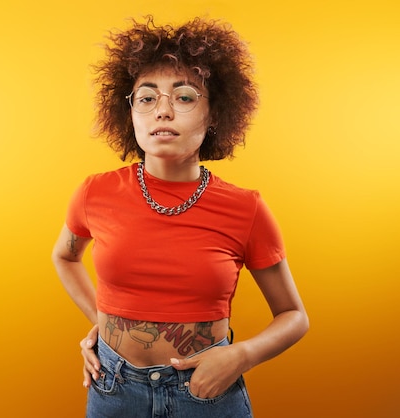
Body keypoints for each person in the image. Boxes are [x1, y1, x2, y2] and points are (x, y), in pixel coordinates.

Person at [51, 15, 309, 418]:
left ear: (214, 116)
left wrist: (240, 356)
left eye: (185, 97)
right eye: (147, 98)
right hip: (114, 388)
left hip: (207, 394)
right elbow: (64, 257)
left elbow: (294, 316)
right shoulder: (95, 192)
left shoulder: (246, 208)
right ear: (130, 112)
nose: (163, 112)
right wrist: (102, 323)